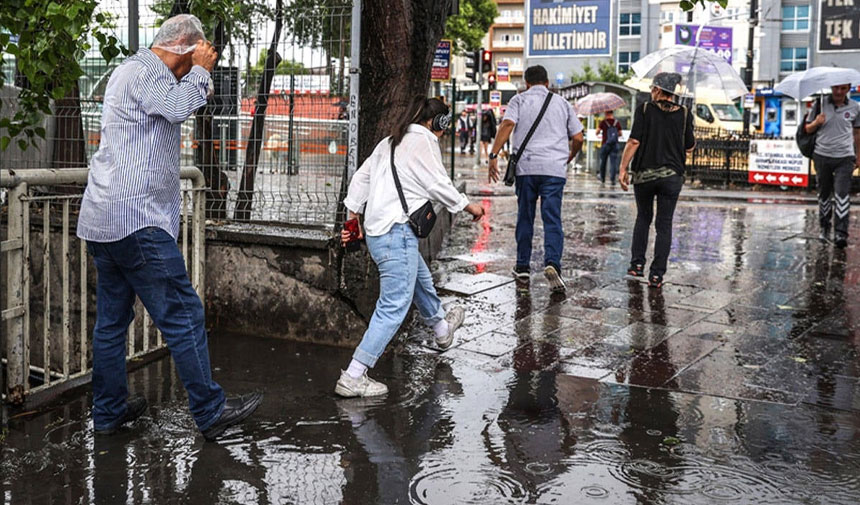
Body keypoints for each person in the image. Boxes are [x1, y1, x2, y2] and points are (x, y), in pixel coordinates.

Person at [77, 14, 262, 441]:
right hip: (136, 220)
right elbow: (181, 104)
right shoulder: (147, 71)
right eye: (189, 58)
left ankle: (108, 412)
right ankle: (210, 410)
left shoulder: (131, 73)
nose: (188, 70)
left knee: (111, 321)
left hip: (105, 220)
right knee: (183, 314)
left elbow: (173, 104)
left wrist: (193, 70)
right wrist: (200, 68)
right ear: (181, 45)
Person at [338, 96, 486, 397]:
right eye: (444, 126)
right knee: (393, 306)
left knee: (419, 280)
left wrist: (352, 219)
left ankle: (442, 331)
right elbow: (438, 184)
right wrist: (469, 206)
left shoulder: (389, 141)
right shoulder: (424, 142)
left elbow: (360, 180)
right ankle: (354, 375)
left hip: (379, 234)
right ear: (439, 122)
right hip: (397, 234)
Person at [487, 65, 584, 292]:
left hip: (527, 168)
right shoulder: (562, 103)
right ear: (547, 82)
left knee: (525, 216)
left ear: (526, 83)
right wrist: (570, 156)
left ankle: (522, 265)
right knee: (552, 218)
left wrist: (493, 154)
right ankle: (552, 263)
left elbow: (508, 124)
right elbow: (578, 137)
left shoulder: (519, 101)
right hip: (554, 170)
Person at [618, 72, 695, 289]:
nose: (651, 92)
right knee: (664, 224)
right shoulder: (685, 113)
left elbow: (634, 141)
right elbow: (689, 146)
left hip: (644, 175)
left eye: (653, 88)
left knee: (643, 217)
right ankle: (657, 275)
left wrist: (623, 168)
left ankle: (637, 265)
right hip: (672, 176)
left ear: (659, 90)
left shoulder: (644, 110)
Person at [804, 83, 860, 249]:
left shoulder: (855, 107)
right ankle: (824, 227)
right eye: (836, 88)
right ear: (831, 88)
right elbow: (807, 129)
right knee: (824, 194)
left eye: (843, 89)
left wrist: (859, 155)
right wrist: (817, 122)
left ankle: (841, 233)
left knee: (842, 194)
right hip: (822, 156)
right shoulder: (819, 104)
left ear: (848, 89)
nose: (839, 92)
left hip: (845, 157)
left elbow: (857, 133)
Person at [597, 109, 623, 185]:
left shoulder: (603, 122)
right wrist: (614, 135)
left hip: (605, 144)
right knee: (613, 162)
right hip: (614, 145)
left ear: (606, 113)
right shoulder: (616, 122)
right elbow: (620, 133)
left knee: (603, 162)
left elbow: (597, 132)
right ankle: (612, 179)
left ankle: (602, 178)